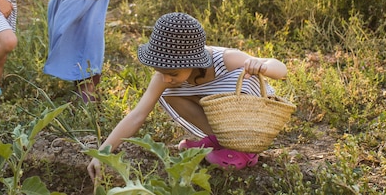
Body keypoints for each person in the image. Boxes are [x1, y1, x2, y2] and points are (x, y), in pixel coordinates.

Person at [87, 12, 289, 180]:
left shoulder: (227, 59)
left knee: (245, 80)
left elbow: (282, 70)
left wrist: (263, 66)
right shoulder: (163, 77)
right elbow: (137, 115)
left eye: (173, 73)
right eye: (161, 71)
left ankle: (245, 150)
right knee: (170, 93)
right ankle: (221, 140)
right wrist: (102, 153)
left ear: (194, 61)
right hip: (221, 119)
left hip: (249, 118)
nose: (165, 78)